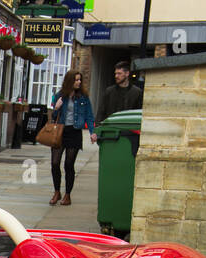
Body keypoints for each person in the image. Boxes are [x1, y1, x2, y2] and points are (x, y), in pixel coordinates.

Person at [50, 71, 94, 206]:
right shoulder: (59, 95)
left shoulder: (83, 97)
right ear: (70, 81)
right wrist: (56, 108)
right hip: (60, 132)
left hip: (74, 133)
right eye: (76, 80)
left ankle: (67, 195)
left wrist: (92, 132)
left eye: (80, 80)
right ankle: (57, 192)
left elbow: (89, 116)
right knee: (55, 163)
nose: (79, 82)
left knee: (69, 165)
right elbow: (53, 117)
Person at [96, 60, 143, 128]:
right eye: (115, 73)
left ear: (127, 73)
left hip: (128, 130)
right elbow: (101, 111)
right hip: (110, 129)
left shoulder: (137, 92)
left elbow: (139, 113)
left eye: (119, 73)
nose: (116, 76)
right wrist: (97, 128)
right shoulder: (109, 91)